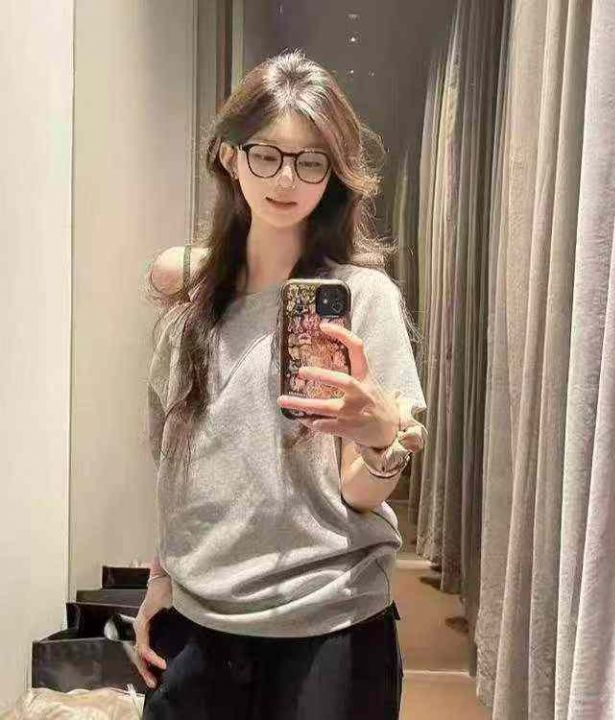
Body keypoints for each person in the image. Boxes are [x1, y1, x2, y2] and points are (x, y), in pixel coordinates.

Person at [135, 49, 428, 719]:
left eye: (310, 161)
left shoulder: (362, 299)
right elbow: (178, 469)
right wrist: (160, 577)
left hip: (328, 623)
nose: (286, 179)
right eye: (266, 155)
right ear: (230, 157)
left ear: (334, 175)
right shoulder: (189, 310)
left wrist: (380, 435)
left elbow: (358, 493)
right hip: (200, 624)